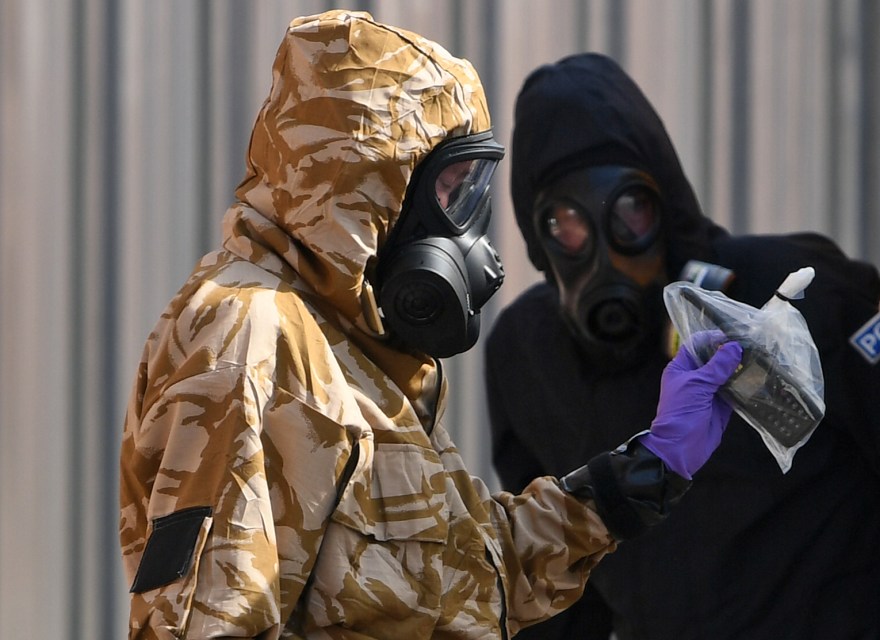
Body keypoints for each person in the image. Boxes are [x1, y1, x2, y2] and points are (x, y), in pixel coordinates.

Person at [117, 13, 744, 639]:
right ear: (366, 185)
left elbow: (479, 574)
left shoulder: (353, 353)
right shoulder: (247, 336)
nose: (465, 232)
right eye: (450, 190)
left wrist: (648, 466)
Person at [485, 52, 880, 640]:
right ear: (539, 239)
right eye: (568, 223)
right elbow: (550, 570)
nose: (607, 251)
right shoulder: (528, 354)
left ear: (667, 206)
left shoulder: (794, 298)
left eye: (630, 212)